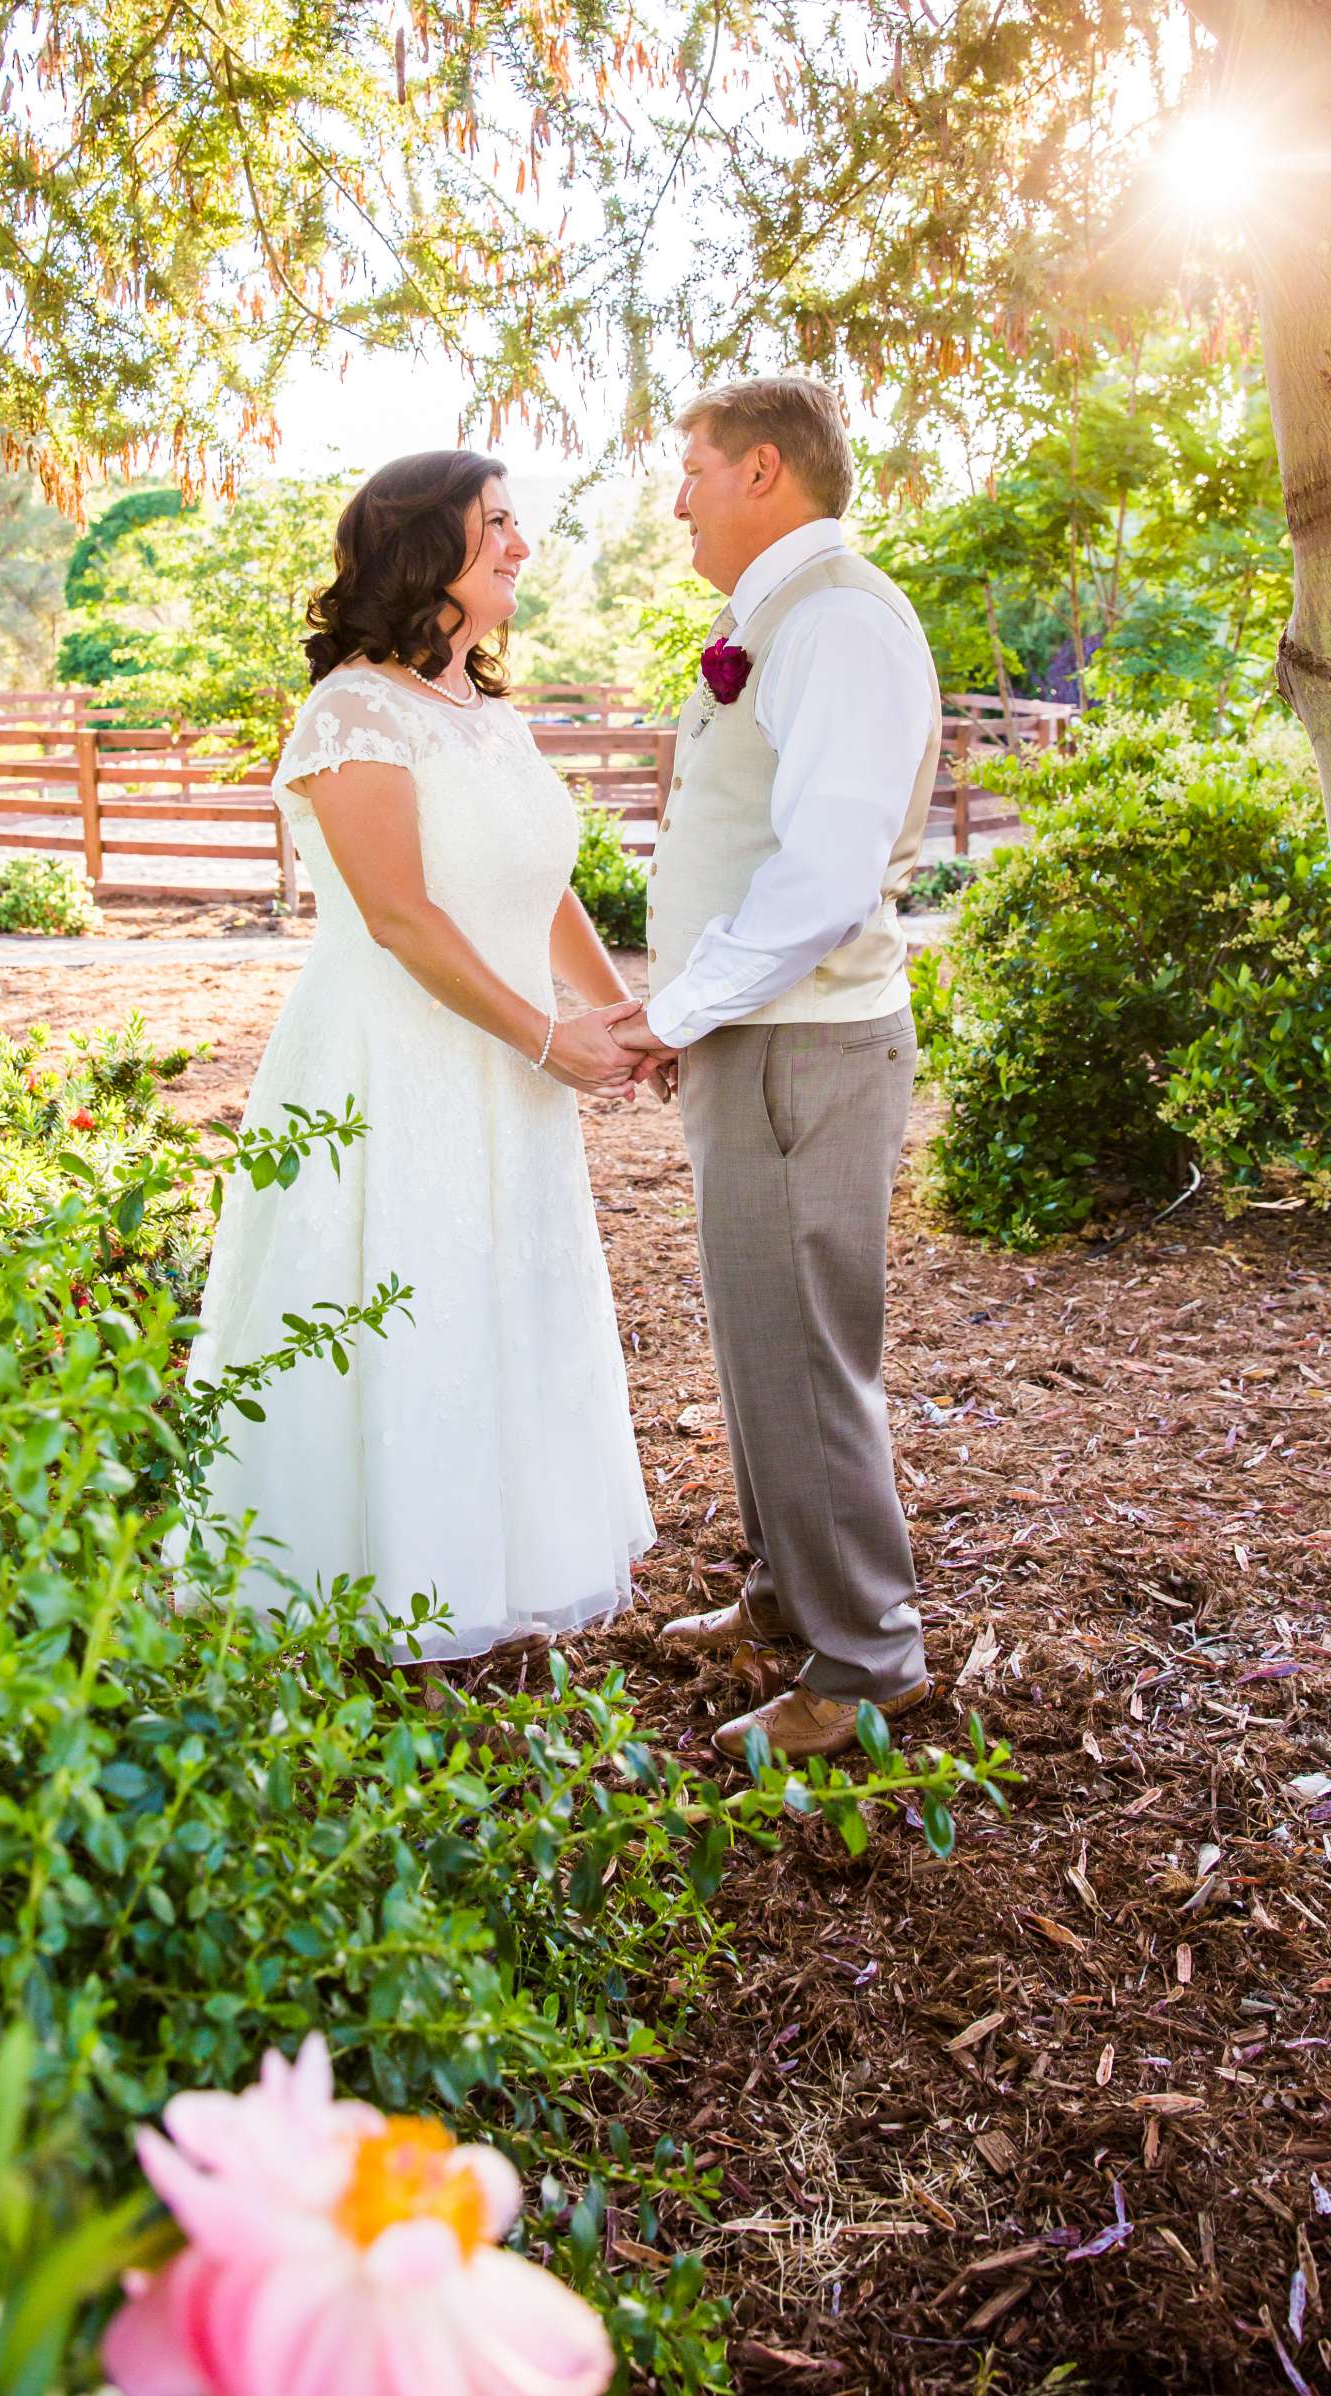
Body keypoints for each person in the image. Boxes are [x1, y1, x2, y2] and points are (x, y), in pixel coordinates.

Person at [175, 449, 655, 1661]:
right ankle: (361, 1578)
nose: (520, 543)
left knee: (498, 1289)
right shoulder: (352, 710)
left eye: (515, 521)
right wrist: (550, 1035)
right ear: (422, 547)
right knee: (392, 1289)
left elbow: (540, 891)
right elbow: (398, 917)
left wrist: (628, 1017)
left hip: (507, 1057)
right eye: (495, 522)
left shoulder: (489, 717)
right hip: (388, 1058)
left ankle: (492, 1560)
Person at [612, 374, 940, 1764]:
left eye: (689, 470)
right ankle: (787, 1594)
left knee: (805, 1350)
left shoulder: (844, 624)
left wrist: (679, 1007)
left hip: (805, 1052)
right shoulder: (783, 620)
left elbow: (820, 879)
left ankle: (863, 1659)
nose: (674, 498)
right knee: (761, 1339)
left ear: (761, 470)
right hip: (763, 1047)